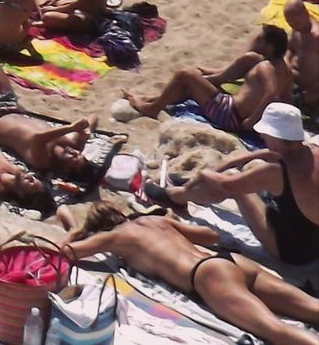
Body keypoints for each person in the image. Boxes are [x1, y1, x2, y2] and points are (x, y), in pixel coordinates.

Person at [59, 205, 319, 345]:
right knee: (312, 308)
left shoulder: (113, 237)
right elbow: (212, 236)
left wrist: (74, 230)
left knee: (275, 331)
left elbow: (67, 252)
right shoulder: (157, 221)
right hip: (231, 261)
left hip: (206, 277)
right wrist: (174, 223)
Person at [152, 102, 319, 266]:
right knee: (252, 167)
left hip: (290, 250)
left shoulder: (274, 172)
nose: (262, 137)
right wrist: (231, 161)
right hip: (312, 239)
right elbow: (272, 153)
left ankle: (174, 196)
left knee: (233, 180)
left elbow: (226, 185)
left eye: (265, 135)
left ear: (275, 138)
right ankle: (182, 193)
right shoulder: (312, 151)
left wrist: (205, 173)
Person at [124, 26, 296, 134]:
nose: (255, 42)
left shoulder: (266, 67)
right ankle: (150, 100)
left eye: (259, 40)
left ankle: (152, 108)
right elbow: (285, 99)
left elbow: (272, 93)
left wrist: (251, 122)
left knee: (186, 75)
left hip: (229, 115)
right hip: (236, 112)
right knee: (191, 86)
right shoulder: (286, 70)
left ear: (270, 47)